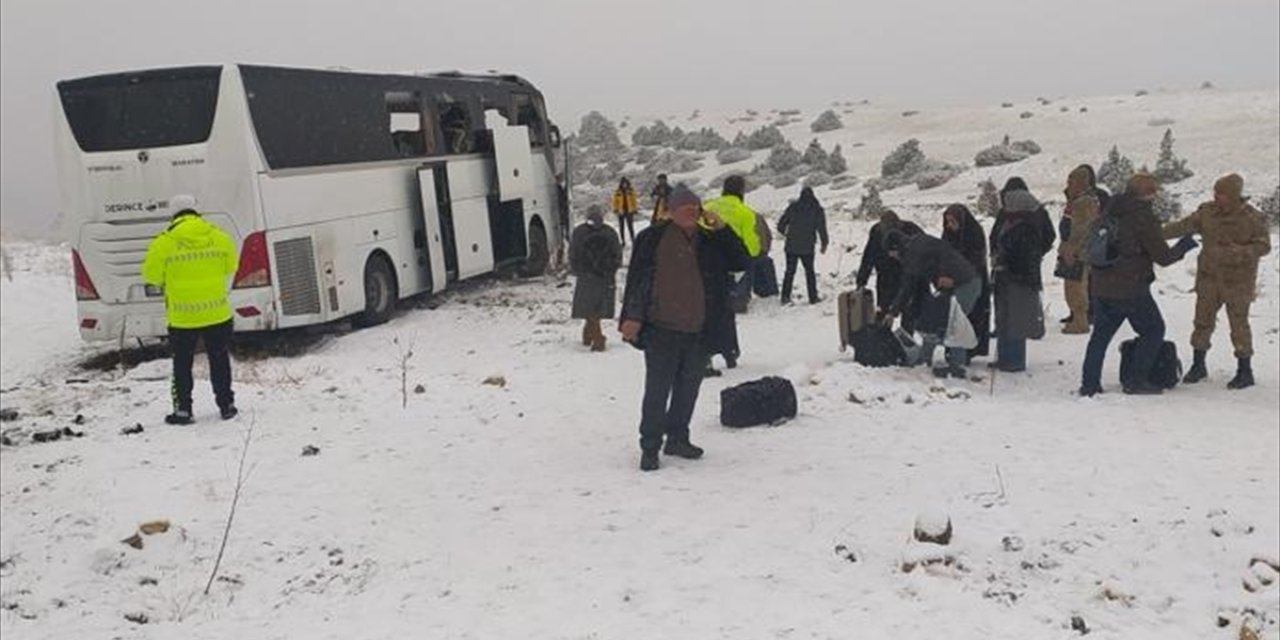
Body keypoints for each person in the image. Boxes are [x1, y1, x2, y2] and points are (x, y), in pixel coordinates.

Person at [619, 185, 749, 471]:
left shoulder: (710, 240)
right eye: (684, 208)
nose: (690, 212)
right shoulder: (651, 239)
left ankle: (678, 438)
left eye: (695, 208)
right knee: (657, 390)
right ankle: (650, 446)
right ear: (671, 211)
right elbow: (639, 281)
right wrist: (632, 316)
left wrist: (722, 229)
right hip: (661, 328)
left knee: (688, 389)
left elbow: (742, 261)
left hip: (699, 331)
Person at [1079, 174, 1197, 397]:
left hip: (1101, 284)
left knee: (1100, 337)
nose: (1156, 194)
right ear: (1147, 193)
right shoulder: (1142, 217)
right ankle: (1137, 379)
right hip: (1130, 287)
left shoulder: (1109, 210)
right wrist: (1184, 246)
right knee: (1153, 330)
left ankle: (1089, 384)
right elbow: (1162, 256)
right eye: (1154, 190)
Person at [1162, 173, 1272, 389]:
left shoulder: (1252, 218)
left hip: (1238, 282)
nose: (1216, 197)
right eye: (1215, 192)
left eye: (1221, 194)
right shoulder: (1207, 213)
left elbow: (1264, 246)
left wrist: (1242, 252)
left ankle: (1244, 370)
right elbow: (1182, 227)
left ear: (1233, 195)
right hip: (1209, 279)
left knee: (1239, 326)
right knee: (1202, 323)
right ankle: (1198, 365)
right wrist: (1154, 234)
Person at [141, 195, 239, 425]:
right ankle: (226, 405)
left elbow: (151, 276)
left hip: (182, 317)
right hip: (217, 313)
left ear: (174, 215)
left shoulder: (164, 242)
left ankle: (183, 410)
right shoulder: (219, 237)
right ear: (197, 212)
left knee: (182, 363)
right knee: (219, 359)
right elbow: (231, 266)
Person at [882, 230, 981, 379]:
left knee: (956, 323)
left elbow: (908, 287)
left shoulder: (913, 253)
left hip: (965, 284)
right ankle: (924, 359)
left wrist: (945, 274)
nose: (892, 257)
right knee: (935, 319)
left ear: (896, 248)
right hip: (954, 284)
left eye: (892, 253)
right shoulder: (917, 244)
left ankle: (957, 366)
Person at [988, 178, 1056, 372]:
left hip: (1018, 276)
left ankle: (1013, 360)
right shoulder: (1014, 216)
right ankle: (1005, 356)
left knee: (1016, 317)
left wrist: (1016, 260)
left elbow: (1027, 249)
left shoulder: (1026, 223)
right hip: (1008, 273)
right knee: (1005, 315)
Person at [703, 175, 764, 313]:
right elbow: (751, 242)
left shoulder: (708, 207)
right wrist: (754, 253)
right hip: (734, 259)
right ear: (742, 191)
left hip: (709, 258)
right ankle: (738, 304)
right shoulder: (746, 213)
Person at [856, 210, 924, 329]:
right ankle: (882, 341)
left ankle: (905, 343)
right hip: (885, 278)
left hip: (907, 276)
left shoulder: (911, 230)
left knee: (908, 313)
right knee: (882, 312)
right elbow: (868, 257)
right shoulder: (876, 232)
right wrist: (861, 281)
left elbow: (923, 254)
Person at [569, 205, 623, 352]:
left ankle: (597, 338)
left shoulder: (579, 232)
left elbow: (574, 253)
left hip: (586, 276)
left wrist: (576, 269)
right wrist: (610, 269)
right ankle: (589, 334)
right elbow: (617, 255)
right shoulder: (610, 232)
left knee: (589, 308)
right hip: (605, 277)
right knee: (597, 308)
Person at [940, 204, 990, 359]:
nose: (950, 226)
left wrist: (956, 277)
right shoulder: (948, 235)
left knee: (969, 318)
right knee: (953, 318)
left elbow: (974, 260)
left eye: (953, 222)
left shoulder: (973, 233)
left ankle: (966, 353)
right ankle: (953, 353)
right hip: (952, 281)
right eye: (947, 222)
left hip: (971, 280)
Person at [1057, 166, 1102, 334]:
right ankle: (1077, 318)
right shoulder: (1078, 200)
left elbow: (1083, 229)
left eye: (1071, 181)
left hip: (1076, 252)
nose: (1068, 184)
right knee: (1072, 287)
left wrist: (1073, 249)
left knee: (1076, 288)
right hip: (1072, 249)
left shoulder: (1085, 202)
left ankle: (1080, 321)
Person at [777, 186, 830, 305]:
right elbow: (822, 228)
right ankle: (813, 297)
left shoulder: (793, 207)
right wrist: (824, 243)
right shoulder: (817, 209)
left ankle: (785, 297)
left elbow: (781, 224)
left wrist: (787, 235)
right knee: (810, 272)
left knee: (789, 272)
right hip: (808, 247)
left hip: (791, 246)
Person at [611, 177, 638, 247]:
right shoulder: (618, 192)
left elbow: (634, 201)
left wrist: (634, 209)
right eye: (623, 184)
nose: (624, 185)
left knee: (630, 227)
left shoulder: (631, 191)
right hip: (621, 211)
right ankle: (623, 241)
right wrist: (615, 209)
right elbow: (614, 201)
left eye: (625, 183)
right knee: (621, 227)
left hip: (629, 211)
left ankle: (633, 240)